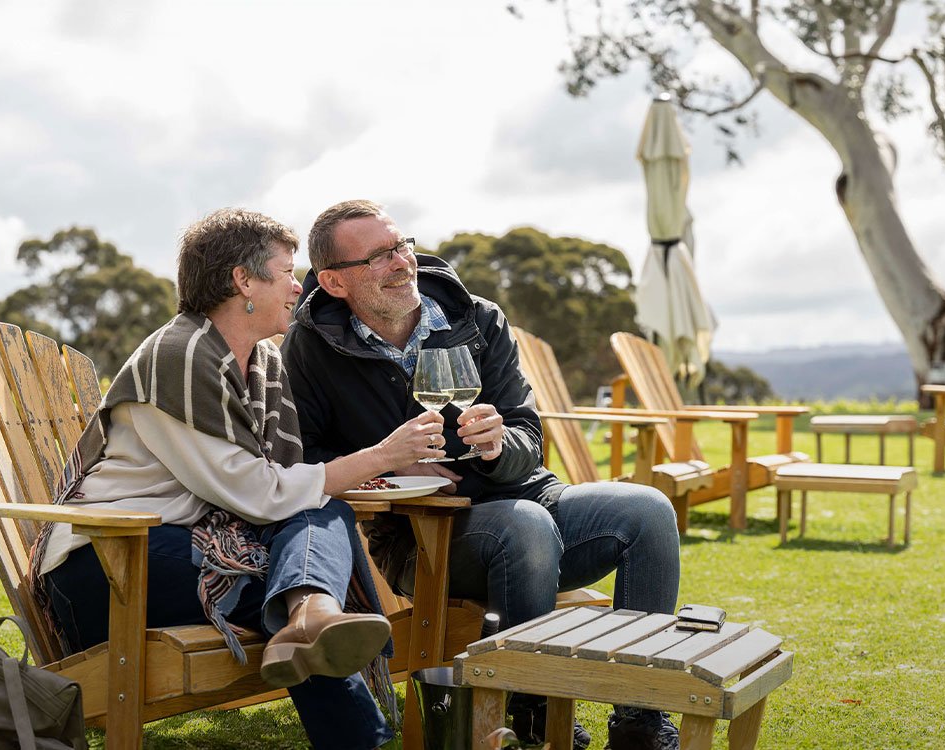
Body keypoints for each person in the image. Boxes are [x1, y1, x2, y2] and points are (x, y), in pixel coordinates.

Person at [32, 207, 448, 750]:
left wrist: (346, 479)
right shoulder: (177, 359)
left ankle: (311, 618)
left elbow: (286, 482)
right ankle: (318, 624)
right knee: (296, 578)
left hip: (201, 546)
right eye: (287, 273)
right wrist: (379, 458)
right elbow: (258, 492)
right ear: (243, 281)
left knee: (321, 522)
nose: (298, 288)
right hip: (112, 563)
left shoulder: (263, 364)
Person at [282, 199, 685, 750]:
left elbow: (527, 434)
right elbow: (306, 458)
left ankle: (639, 720)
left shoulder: (479, 320)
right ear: (333, 281)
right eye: (377, 256)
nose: (402, 262)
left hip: (528, 497)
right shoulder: (310, 348)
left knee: (648, 510)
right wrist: (385, 461)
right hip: (422, 537)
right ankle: (527, 718)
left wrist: (499, 447)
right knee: (525, 527)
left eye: (403, 245)